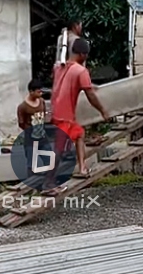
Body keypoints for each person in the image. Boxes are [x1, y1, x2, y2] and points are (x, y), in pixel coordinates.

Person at [43, 38, 109, 196]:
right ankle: (48, 184)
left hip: (56, 112)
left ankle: (82, 168)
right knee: (58, 150)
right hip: (64, 116)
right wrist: (103, 111)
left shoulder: (59, 67)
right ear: (82, 54)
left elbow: (70, 83)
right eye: (86, 55)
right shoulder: (81, 71)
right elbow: (90, 95)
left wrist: (90, 85)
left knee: (79, 134)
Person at [17, 79, 48, 181]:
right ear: (31, 92)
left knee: (49, 159)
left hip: (42, 136)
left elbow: (45, 115)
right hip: (31, 139)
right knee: (31, 163)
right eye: (38, 92)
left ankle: (50, 181)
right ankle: (31, 184)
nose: (40, 93)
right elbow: (21, 123)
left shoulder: (42, 102)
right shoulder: (23, 107)